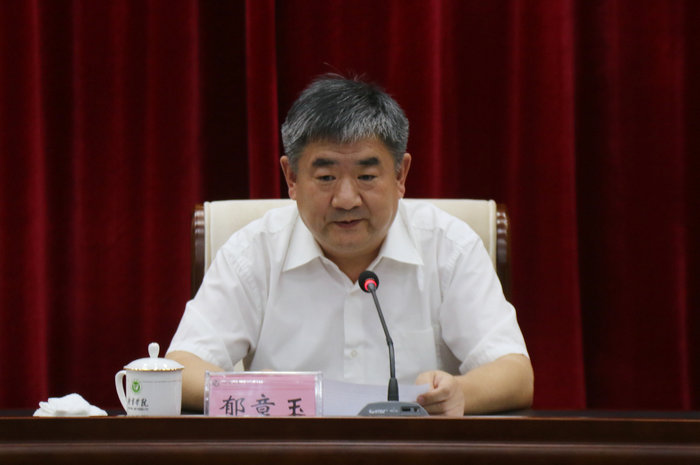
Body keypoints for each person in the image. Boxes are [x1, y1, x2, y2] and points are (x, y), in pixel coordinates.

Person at [166, 74, 533, 416]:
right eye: (326, 177)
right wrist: (257, 392)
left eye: (366, 176)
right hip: (292, 451)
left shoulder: (449, 247)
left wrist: (460, 393)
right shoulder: (253, 251)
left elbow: (515, 373)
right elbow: (181, 369)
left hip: (413, 451)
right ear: (291, 178)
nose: (346, 199)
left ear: (400, 175)